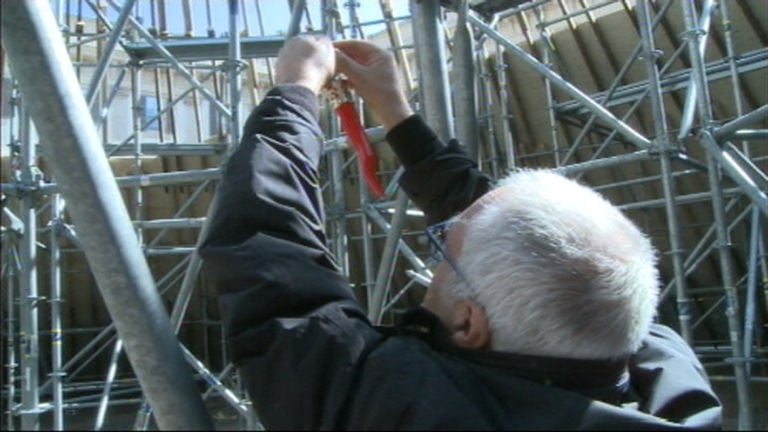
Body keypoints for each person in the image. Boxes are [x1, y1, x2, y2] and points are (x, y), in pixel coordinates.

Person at [199, 35, 722, 430]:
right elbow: (529, 245)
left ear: (471, 323)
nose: (441, 251)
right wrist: (396, 113)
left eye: (445, 255)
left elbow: (268, 250)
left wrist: (295, 90)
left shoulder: (396, 405)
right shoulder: (669, 385)